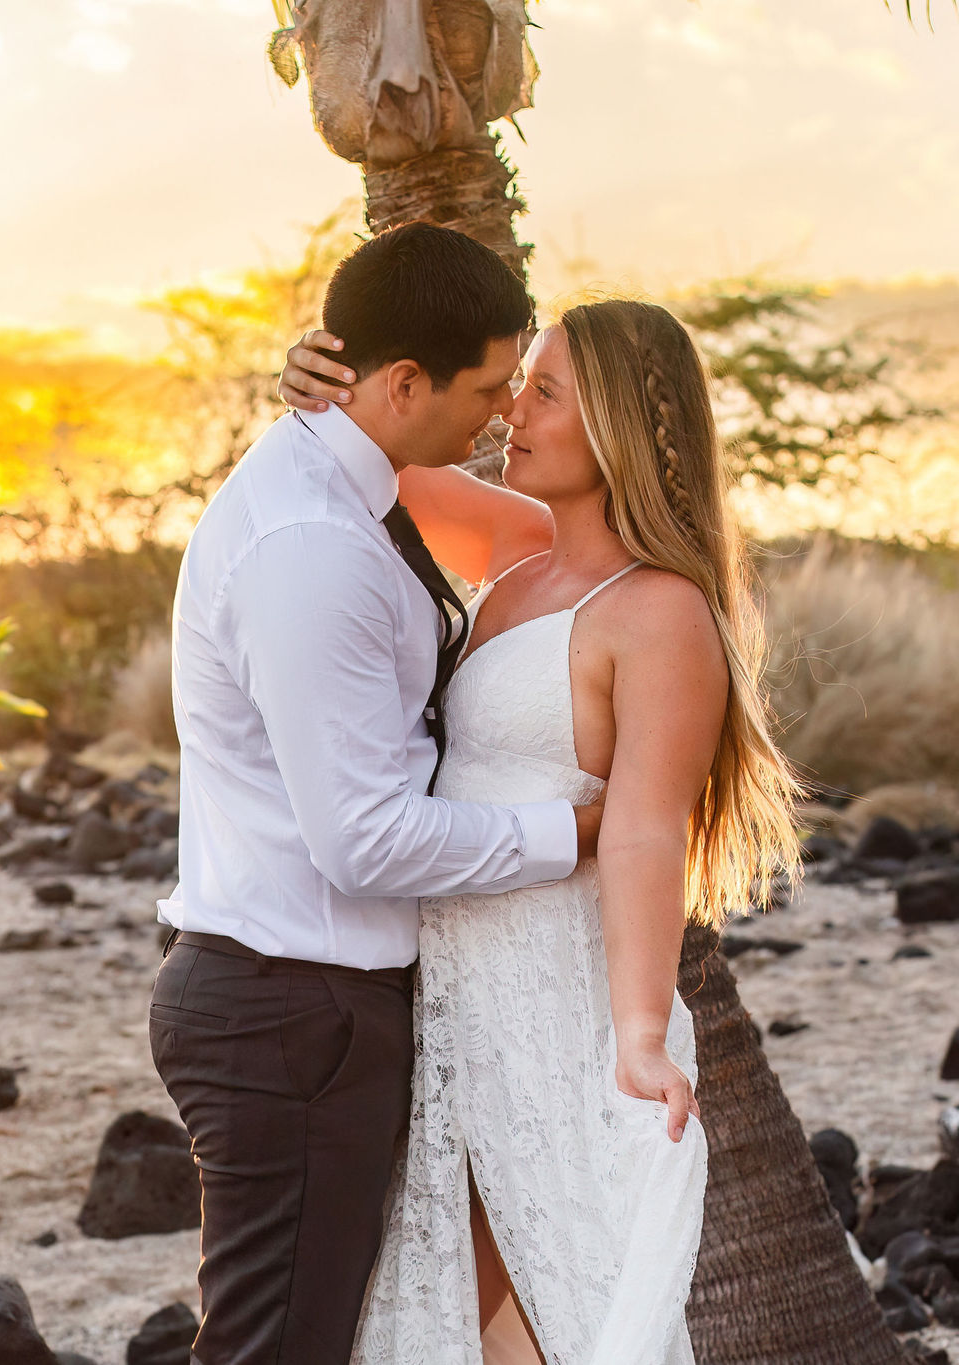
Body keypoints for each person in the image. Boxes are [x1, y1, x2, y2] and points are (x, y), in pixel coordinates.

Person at [276, 295, 799, 1363]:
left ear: (609, 425)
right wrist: (318, 386)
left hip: (556, 997)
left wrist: (641, 1036)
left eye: (545, 391)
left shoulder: (658, 610)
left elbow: (647, 832)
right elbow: (378, 454)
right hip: (449, 991)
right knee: (454, 1295)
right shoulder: (515, 553)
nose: (515, 408)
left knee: (557, 1284)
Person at [150, 222, 604, 1365]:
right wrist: (575, 831)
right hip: (292, 1011)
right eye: (492, 387)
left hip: (312, 1004)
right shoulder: (312, 544)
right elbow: (362, 841)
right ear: (404, 382)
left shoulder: (349, 480)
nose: (502, 414)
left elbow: (542, 534)